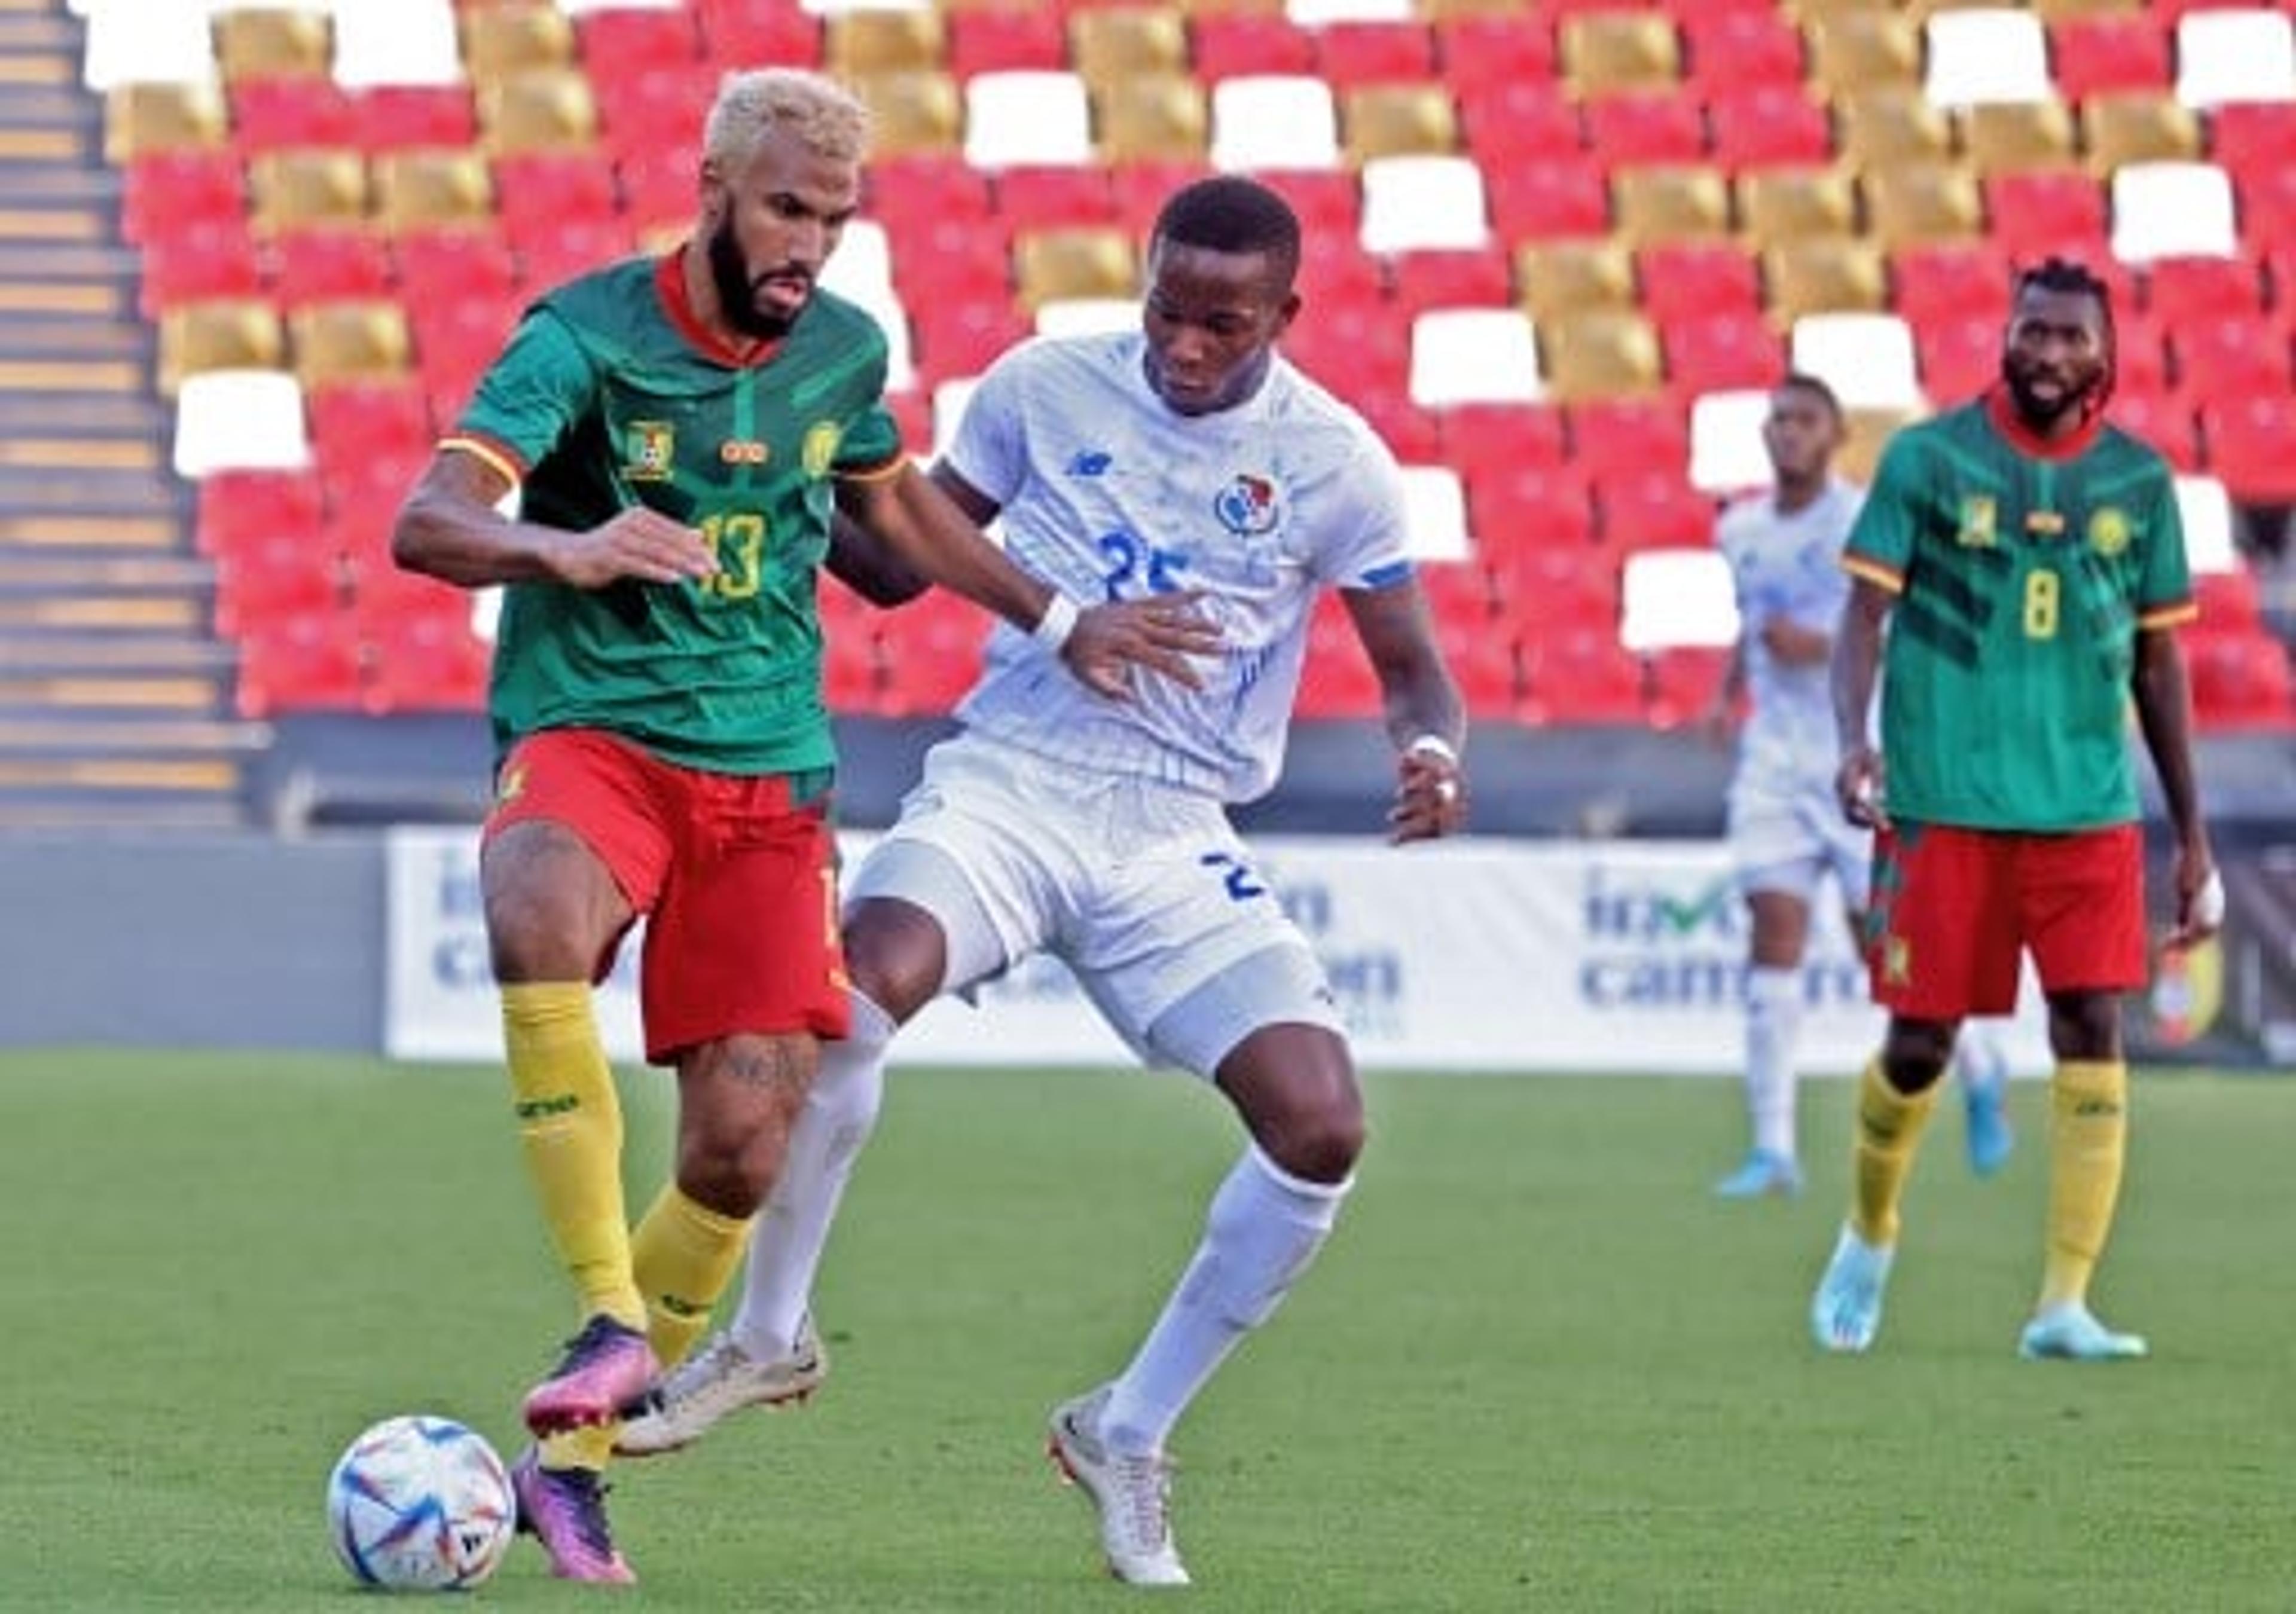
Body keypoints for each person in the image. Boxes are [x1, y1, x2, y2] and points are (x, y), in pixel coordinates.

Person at [387, 68, 1214, 1585]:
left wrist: (1062, 618)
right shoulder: (582, 337)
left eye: (833, 218)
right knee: (534, 918)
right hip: (600, 738)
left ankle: (566, 1463)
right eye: (785, 209)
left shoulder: (842, 351)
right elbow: (429, 522)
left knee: (741, 1150)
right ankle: (609, 1319)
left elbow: (894, 519)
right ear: (714, 190)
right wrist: (570, 547)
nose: (809, 246)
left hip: (769, 776)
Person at [612, 175, 1470, 1587]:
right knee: (852, 996)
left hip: (1175, 833)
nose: (1185, 346)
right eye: (1167, 310)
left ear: (1286, 317)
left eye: (1222, 324)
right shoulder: (1045, 388)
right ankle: (771, 1338)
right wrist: (798, 461)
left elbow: (1413, 663)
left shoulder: (1335, 463)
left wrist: (1431, 746)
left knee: (1321, 1128)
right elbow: (897, 566)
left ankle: (1125, 1430)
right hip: (1013, 783)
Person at [1806, 258, 2222, 1361]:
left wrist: (2192, 835)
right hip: (1944, 804)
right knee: (1920, 1043)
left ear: (2107, 351)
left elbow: (2159, 660)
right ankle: (1871, 1226)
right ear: (2008, 335)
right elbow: (1861, 621)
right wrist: (1855, 742)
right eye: (2033, 333)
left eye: (2070, 338)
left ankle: (2063, 1304)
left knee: (2093, 1025)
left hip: (2088, 809)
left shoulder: (2139, 484)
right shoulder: (1930, 460)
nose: (2048, 355)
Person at [1703, 374, 2016, 1200]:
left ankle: (1983, 1070)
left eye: (1804, 421)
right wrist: (1726, 688)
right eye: (1778, 419)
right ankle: (1773, 1149)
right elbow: (1753, 621)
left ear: (1836, 435)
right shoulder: (1738, 527)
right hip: (1772, 758)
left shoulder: (1859, 520)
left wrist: (1814, 647)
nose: (1787, 433)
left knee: (1886, 949)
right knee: (1772, 933)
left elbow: (1891, 622)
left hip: (1855, 754)